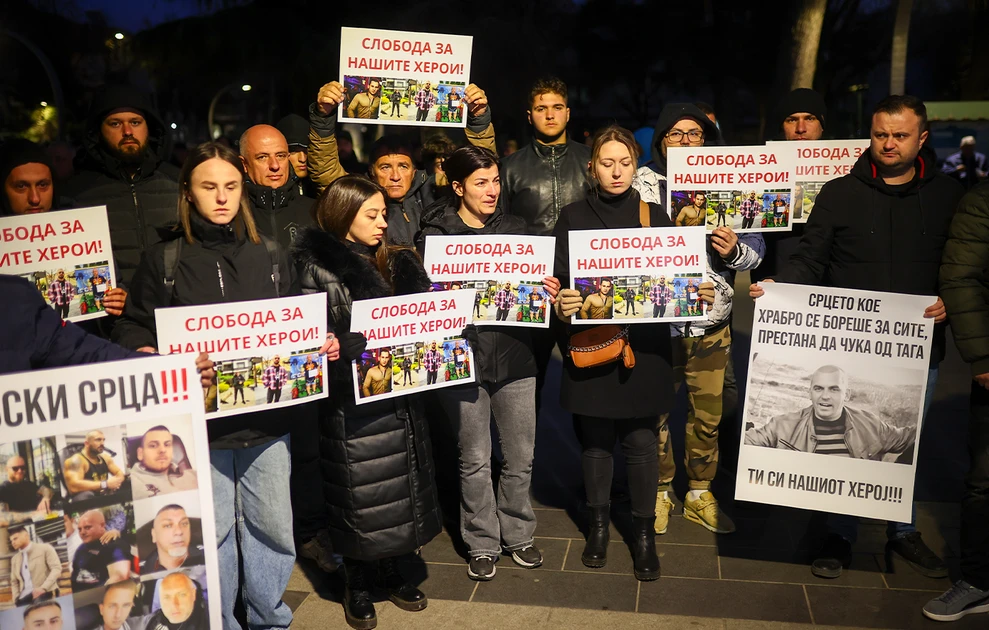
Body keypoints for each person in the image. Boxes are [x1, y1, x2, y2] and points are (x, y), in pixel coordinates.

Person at [750, 94, 964, 581]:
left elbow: (963, 266)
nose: (889, 144)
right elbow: (811, 257)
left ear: (922, 138)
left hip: (917, 348)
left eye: (900, 135)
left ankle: (902, 532)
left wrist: (952, 298)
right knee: (847, 446)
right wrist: (782, 289)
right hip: (847, 346)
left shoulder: (949, 195)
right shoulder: (839, 192)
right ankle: (839, 534)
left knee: (904, 447)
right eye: (880, 134)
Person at [110, 142, 305, 629]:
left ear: (243, 189)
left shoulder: (274, 253)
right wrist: (144, 350)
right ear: (188, 193)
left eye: (231, 187)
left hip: (266, 421)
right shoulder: (165, 259)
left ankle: (269, 619)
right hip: (198, 428)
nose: (221, 197)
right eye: (209, 187)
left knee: (274, 530)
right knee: (212, 533)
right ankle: (220, 620)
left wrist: (315, 340)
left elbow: (298, 315)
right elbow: (134, 323)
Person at [552, 126, 705, 581]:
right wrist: (562, 302)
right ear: (592, 167)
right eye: (606, 162)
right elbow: (560, 281)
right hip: (594, 347)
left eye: (624, 163)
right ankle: (598, 527)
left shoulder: (657, 218)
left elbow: (679, 279)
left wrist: (690, 291)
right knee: (596, 444)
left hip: (645, 351)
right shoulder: (572, 216)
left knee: (641, 444)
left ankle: (643, 535)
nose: (616, 172)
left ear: (636, 167)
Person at [293, 175, 441, 628]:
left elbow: (425, 317)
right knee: (359, 493)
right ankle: (355, 580)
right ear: (343, 215)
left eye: (384, 214)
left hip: (400, 398)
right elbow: (309, 341)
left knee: (400, 487)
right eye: (371, 215)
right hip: (351, 406)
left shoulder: (397, 260)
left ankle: (394, 568)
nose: (382, 223)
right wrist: (341, 347)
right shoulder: (317, 268)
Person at [416, 146, 559, 581]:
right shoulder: (435, 236)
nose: (492, 190)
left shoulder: (517, 229)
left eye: (496, 180)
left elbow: (532, 292)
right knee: (474, 457)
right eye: (481, 182)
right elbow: (423, 303)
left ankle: (518, 533)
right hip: (463, 361)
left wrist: (546, 288)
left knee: (520, 455)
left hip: (516, 358)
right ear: (458, 187)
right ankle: (481, 541)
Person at [308, 80, 495, 246]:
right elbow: (326, 173)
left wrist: (478, 119)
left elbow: (481, 169)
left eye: (403, 167)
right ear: (371, 171)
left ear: (415, 171)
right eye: (385, 167)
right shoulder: (359, 198)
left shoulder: (438, 190)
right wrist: (323, 118)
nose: (395, 176)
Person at [928, 181, 989, 621]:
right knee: (985, 479)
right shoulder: (983, 199)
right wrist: (983, 355)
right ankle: (979, 580)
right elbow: (961, 274)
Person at [63, 85, 179, 288]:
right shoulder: (75, 193)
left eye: (135, 122)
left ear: (148, 127)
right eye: (115, 124)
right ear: (98, 131)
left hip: (174, 309)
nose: (127, 132)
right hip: (112, 315)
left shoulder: (177, 182)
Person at [745, 366, 915, 456]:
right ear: (809, 393)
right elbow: (746, 442)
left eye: (834, 389)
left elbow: (909, 438)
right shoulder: (782, 425)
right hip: (797, 507)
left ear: (846, 394)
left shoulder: (870, 425)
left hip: (845, 513)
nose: (825, 396)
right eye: (818, 389)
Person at [753, 88, 828, 283]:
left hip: (829, 279)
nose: (800, 128)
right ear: (782, 126)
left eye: (809, 118)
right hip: (775, 277)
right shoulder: (759, 170)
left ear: (822, 125)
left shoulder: (846, 170)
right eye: (792, 119)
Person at [238, 125, 314, 250]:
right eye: (262, 157)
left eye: (280, 156)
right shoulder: (232, 215)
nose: (275, 165)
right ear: (244, 164)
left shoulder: (314, 212)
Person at [129, 425, 199, 500]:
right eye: (153, 446)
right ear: (140, 453)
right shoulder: (132, 483)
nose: (162, 450)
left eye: (167, 445)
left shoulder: (194, 475)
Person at [71, 509, 131, 592]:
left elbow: (120, 577)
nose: (82, 532)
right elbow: (75, 575)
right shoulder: (81, 548)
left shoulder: (115, 545)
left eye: (87, 527)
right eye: (80, 529)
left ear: (102, 525)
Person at [139, 504, 205, 574]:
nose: (179, 531)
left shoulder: (206, 556)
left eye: (184, 524)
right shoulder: (143, 570)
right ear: (154, 535)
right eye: (168, 525)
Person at [63, 430, 126, 500]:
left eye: (103, 440)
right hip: (87, 499)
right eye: (98, 440)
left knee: (127, 485)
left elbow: (119, 473)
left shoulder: (105, 458)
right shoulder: (76, 460)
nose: (102, 443)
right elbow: (73, 487)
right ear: (87, 443)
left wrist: (115, 483)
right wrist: (105, 484)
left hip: (103, 494)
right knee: (85, 496)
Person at [9, 525, 61, 605]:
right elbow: (14, 581)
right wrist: (16, 598)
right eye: (11, 540)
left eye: (15, 538)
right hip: (23, 598)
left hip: (45, 592)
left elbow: (56, 569)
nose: (13, 542)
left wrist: (43, 588)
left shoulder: (45, 548)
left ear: (26, 536)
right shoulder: (14, 559)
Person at [142, 572, 209, 629]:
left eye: (182, 595)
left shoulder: (211, 620)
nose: (174, 605)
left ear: (193, 594)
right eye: (167, 597)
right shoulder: (149, 623)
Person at [275, 113, 318, 199]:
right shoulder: (272, 193)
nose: (302, 159)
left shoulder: (318, 187)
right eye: (294, 151)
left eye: (307, 150)